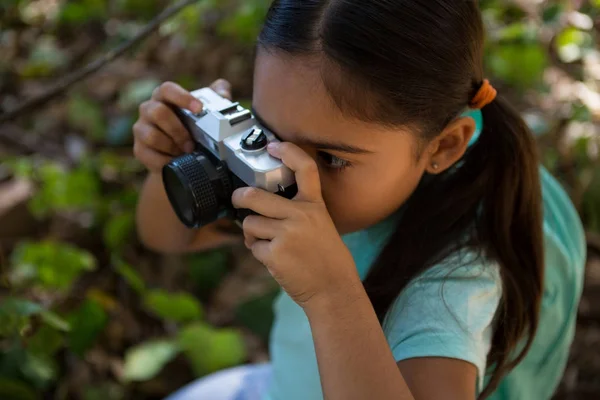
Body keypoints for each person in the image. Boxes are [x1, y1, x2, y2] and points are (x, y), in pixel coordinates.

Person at [133, 1, 586, 399]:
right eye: (263, 136)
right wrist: (178, 163)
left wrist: (332, 294)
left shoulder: (455, 281)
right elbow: (166, 237)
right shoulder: (312, 172)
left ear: (444, 148)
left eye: (330, 159)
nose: (290, 172)